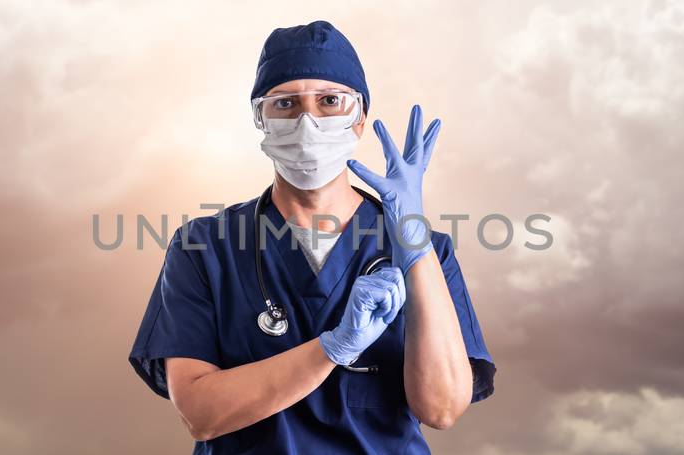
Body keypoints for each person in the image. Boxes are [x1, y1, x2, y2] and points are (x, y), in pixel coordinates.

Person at [127, 20, 495, 454]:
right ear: (261, 119)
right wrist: (334, 347)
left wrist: (411, 238)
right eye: (284, 103)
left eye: (330, 101)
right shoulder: (203, 247)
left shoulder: (425, 250)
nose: (307, 121)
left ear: (359, 120)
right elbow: (200, 414)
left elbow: (442, 410)